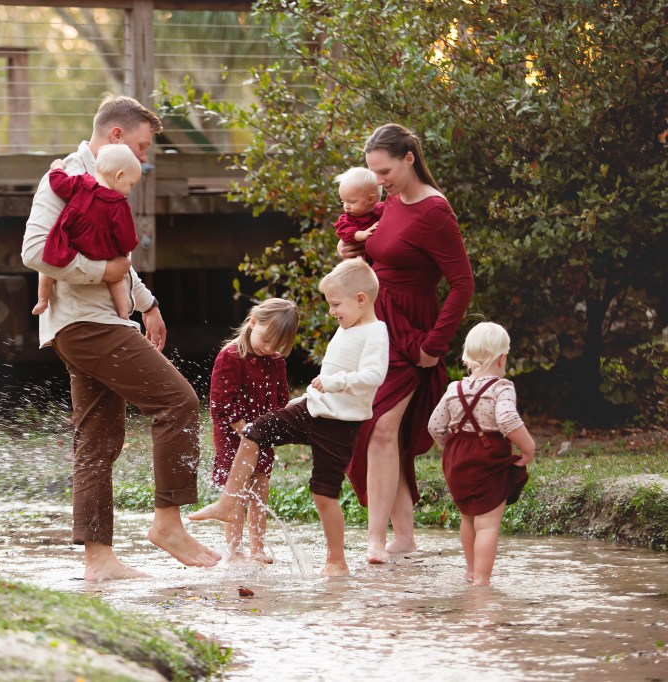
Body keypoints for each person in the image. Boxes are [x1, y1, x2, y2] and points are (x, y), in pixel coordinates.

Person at [21, 94, 221, 581]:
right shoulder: (65, 178)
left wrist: (148, 304)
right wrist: (100, 272)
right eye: (143, 146)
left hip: (99, 323)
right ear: (116, 136)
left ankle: (99, 561)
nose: (145, 158)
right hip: (86, 325)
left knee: (96, 442)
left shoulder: (109, 179)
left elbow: (118, 258)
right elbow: (33, 252)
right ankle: (168, 523)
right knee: (178, 402)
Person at [190, 259, 388, 577]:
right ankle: (231, 518)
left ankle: (330, 560)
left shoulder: (374, 332)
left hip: (337, 422)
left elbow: (372, 374)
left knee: (321, 492)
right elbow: (223, 402)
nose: (333, 311)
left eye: (336, 304)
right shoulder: (347, 327)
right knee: (255, 435)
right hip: (306, 410)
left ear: (361, 300)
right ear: (253, 323)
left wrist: (331, 384)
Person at [339, 123, 475, 565]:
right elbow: (383, 260)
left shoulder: (435, 211)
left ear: (409, 158)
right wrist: (353, 258)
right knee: (378, 431)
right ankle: (404, 537)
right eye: (374, 173)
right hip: (376, 327)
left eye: (385, 170)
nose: (379, 181)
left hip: (411, 331)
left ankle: (375, 540)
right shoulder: (391, 204)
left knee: (380, 427)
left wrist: (435, 345)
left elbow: (462, 283)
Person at [428, 321, 535, 587]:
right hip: (488, 460)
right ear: (502, 358)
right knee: (487, 524)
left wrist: (451, 448)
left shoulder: (455, 389)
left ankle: (470, 569)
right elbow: (508, 419)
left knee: (468, 517)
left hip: (457, 461)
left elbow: (435, 426)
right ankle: (482, 580)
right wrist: (528, 447)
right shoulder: (501, 387)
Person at [208, 298, 299, 564]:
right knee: (237, 490)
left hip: (262, 435)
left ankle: (258, 546)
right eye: (266, 339)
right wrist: (246, 433)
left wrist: (273, 427)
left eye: (277, 345)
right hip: (232, 435)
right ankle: (234, 549)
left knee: (260, 487)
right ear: (253, 322)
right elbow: (221, 403)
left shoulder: (275, 361)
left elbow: (281, 399)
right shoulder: (231, 356)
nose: (269, 348)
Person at [32, 144, 143, 320]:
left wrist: (57, 168)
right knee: (116, 278)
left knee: (49, 266)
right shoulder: (119, 205)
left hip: (72, 242)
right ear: (119, 175)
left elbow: (59, 185)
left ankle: (42, 300)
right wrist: (126, 250)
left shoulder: (80, 183)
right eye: (130, 184)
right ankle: (123, 313)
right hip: (102, 252)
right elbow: (126, 237)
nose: (129, 189)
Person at [332, 166, 384, 248]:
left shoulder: (382, 210)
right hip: (360, 258)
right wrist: (362, 234)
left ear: (370, 199)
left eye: (351, 202)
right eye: (343, 201)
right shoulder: (346, 219)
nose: (346, 207)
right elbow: (345, 231)